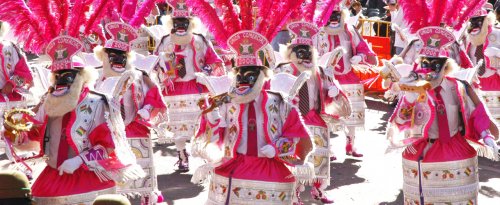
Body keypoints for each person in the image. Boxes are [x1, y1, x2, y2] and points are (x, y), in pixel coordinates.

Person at [192, 30, 313, 205]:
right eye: (239, 76)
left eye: (250, 76)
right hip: (234, 165)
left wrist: (277, 148)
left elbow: (297, 134)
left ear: (262, 77)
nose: (243, 82)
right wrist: (211, 117)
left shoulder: (279, 103)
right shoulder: (226, 102)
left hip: (269, 165)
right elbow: (216, 136)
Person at [25, 36, 143, 204]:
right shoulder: (48, 103)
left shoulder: (97, 103)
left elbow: (108, 147)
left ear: (81, 77)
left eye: (66, 77)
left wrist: (78, 160)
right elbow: (37, 135)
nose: (60, 82)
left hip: (87, 175)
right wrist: (17, 135)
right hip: (53, 177)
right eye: (57, 76)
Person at [388, 26, 499, 204]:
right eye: (426, 63)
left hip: (455, 149)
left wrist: (486, 135)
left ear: (446, 66)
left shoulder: (458, 86)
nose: (430, 68)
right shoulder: (414, 88)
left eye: (436, 64)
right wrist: (409, 98)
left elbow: (473, 113)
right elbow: (400, 121)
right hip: (424, 151)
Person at [275, 21, 351, 204]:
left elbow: (329, 90)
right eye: (300, 52)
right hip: (292, 120)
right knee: (296, 157)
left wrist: (333, 91)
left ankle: (318, 189)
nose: (305, 57)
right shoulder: (283, 70)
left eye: (308, 52)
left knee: (321, 154)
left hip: (315, 117)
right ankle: (295, 193)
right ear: (291, 52)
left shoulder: (319, 71)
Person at [94, 21, 166, 204]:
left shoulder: (140, 75)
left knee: (144, 176)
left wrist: (147, 109)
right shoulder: (97, 78)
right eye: (113, 56)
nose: (118, 60)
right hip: (107, 132)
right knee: (114, 175)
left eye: (122, 56)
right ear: (104, 57)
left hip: (135, 127)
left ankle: (147, 199)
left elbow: (154, 95)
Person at [155, 0, 224, 172]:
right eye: (177, 23)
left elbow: (214, 60)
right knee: (178, 127)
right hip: (174, 89)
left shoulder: (200, 40)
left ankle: (209, 156)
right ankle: (182, 155)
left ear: (190, 23)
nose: (180, 26)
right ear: (171, 23)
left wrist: (206, 72)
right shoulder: (164, 41)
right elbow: (154, 63)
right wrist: (164, 71)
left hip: (197, 87)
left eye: (184, 23)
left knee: (206, 124)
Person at [315, 4, 378, 158]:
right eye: (330, 15)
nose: (333, 19)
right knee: (326, 113)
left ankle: (351, 144)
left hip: (348, 76)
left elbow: (363, 48)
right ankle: (327, 147)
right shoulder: (318, 34)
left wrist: (360, 57)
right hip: (326, 78)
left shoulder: (349, 31)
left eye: (336, 15)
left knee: (353, 113)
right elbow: (311, 55)